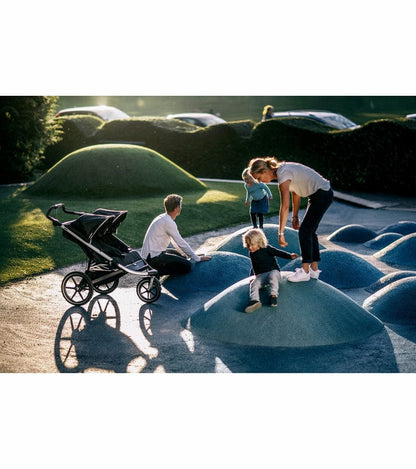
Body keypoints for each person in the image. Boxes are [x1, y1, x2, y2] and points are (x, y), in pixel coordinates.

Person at [248, 157, 333, 282]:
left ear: (265, 171)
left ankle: (305, 271)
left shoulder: (283, 174)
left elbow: (285, 206)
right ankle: (314, 270)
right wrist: (295, 216)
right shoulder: (283, 171)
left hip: (322, 194)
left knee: (304, 232)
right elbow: (296, 193)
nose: (260, 182)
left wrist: (281, 233)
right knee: (310, 231)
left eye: (259, 178)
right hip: (319, 194)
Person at [141, 194, 211, 276]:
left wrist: (191, 256)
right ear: (177, 208)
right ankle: (156, 272)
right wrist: (197, 258)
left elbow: (174, 241)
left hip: (151, 255)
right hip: (152, 258)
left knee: (181, 256)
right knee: (188, 266)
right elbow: (180, 242)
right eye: (180, 205)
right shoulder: (168, 222)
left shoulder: (163, 217)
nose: (181, 207)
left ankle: (159, 270)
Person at [242, 228, 298, 313]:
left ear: (259, 242)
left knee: (273, 276)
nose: (250, 247)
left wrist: (290, 256)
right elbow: (254, 266)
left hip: (273, 272)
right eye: (248, 245)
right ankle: (255, 300)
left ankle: (273, 295)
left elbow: (278, 253)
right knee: (254, 283)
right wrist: (254, 277)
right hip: (262, 275)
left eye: (252, 245)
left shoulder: (267, 248)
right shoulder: (251, 253)